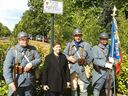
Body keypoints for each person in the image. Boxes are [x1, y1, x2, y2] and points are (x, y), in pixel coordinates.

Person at [3, 31, 41, 96]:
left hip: (30, 82)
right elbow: (6, 67)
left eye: (26, 39)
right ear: (18, 40)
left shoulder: (32, 49)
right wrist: (10, 82)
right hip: (17, 81)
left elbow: (39, 59)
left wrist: (32, 64)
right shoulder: (12, 50)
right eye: (22, 40)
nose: (25, 41)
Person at [64, 28, 92, 96]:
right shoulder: (69, 45)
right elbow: (64, 54)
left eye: (79, 35)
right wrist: (68, 58)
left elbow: (91, 57)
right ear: (73, 36)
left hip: (82, 70)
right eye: (76, 35)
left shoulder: (86, 45)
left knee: (83, 89)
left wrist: (85, 61)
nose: (78, 37)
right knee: (73, 88)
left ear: (81, 36)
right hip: (72, 70)